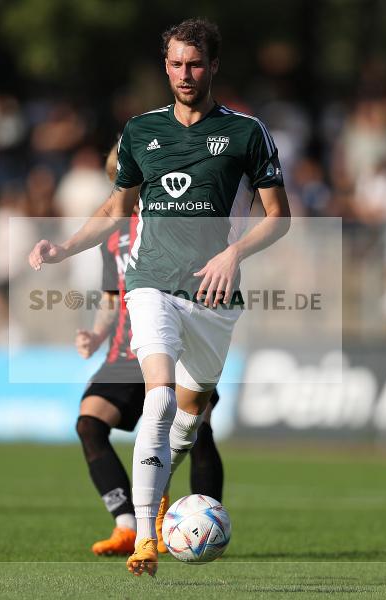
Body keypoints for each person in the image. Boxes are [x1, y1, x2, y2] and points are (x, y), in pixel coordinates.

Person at [29, 18, 290, 576]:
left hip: (215, 298)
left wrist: (233, 254)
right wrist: (65, 247)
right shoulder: (140, 130)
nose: (184, 74)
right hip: (151, 284)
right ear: (165, 66)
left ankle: (162, 491)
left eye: (194, 64)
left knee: (190, 421)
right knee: (160, 399)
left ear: (213, 65)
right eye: (175, 64)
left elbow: (279, 218)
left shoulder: (247, 133)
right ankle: (145, 536)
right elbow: (116, 210)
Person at [76, 145, 224, 556]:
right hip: (126, 353)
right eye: (118, 183)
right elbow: (111, 296)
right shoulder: (111, 236)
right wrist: (97, 334)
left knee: (196, 430)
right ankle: (127, 525)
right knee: (89, 423)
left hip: (177, 346)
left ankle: (208, 524)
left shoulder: (182, 220)